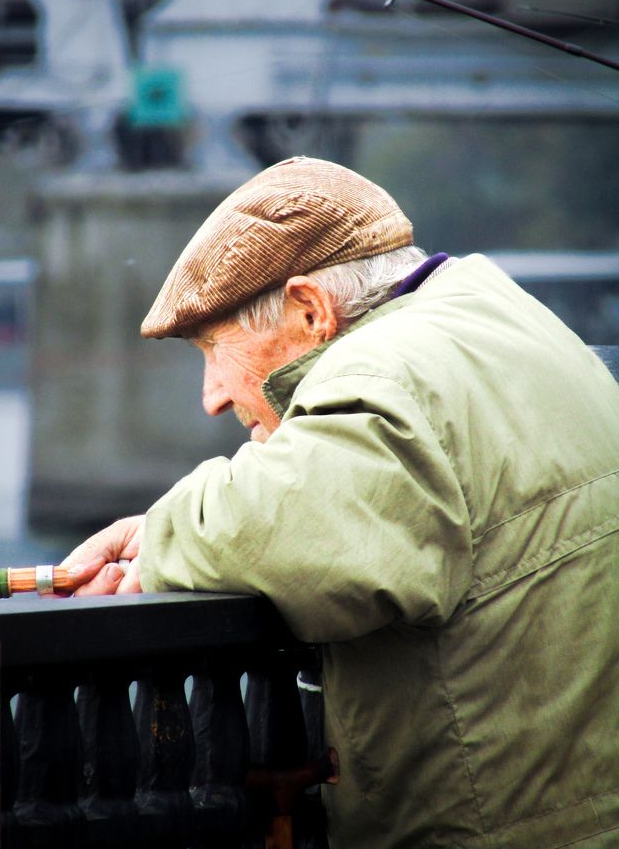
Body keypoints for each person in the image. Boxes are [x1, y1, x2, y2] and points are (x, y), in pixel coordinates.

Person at [64, 156, 619, 848]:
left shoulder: (390, 373)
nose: (211, 395)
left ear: (310, 308)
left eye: (214, 348)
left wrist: (163, 536)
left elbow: (292, 530)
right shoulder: (498, 319)